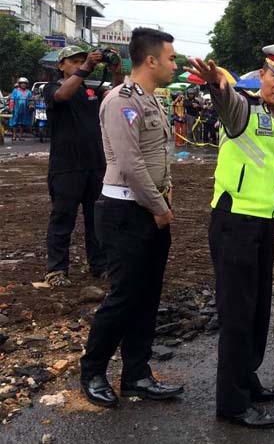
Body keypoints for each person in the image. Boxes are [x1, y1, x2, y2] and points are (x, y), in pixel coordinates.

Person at [185, 44, 274, 429]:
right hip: (235, 222)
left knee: (258, 309)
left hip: (265, 222)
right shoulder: (244, 109)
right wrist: (216, 86)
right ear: (262, 75)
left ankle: (247, 377)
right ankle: (232, 403)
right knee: (238, 314)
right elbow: (226, 102)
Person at [79, 28, 182, 409]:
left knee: (147, 296)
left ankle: (137, 374)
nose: (175, 64)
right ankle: (92, 371)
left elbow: (160, 158)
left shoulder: (153, 101)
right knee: (123, 297)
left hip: (150, 210)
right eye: (171, 58)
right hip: (126, 212)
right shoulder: (120, 101)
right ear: (151, 60)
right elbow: (130, 164)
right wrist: (159, 208)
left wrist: (162, 198)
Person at [41, 45, 122, 286]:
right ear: (61, 65)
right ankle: (57, 270)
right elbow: (63, 95)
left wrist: (116, 70)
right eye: (73, 61)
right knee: (62, 218)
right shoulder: (52, 88)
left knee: (95, 220)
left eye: (82, 60)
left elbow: (117, 93)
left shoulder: (91, 92)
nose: (79, 64)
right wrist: (87, 67)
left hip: (95, 165)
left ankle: (99, 266)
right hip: (66, 166)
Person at [9, 77, 33, 141]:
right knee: (14, 122)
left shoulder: (29, 92)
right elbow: (12, 99)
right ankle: (14, 135)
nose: (23, 84)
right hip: (16, 109)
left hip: (25, 110)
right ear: (19, 84)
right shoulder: (15, 91)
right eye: (22, 83)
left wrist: (31, 106)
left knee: (23, 123)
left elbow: (31, 100)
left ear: (26, 84)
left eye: (24, 83)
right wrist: (11, 107)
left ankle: (20, 136)